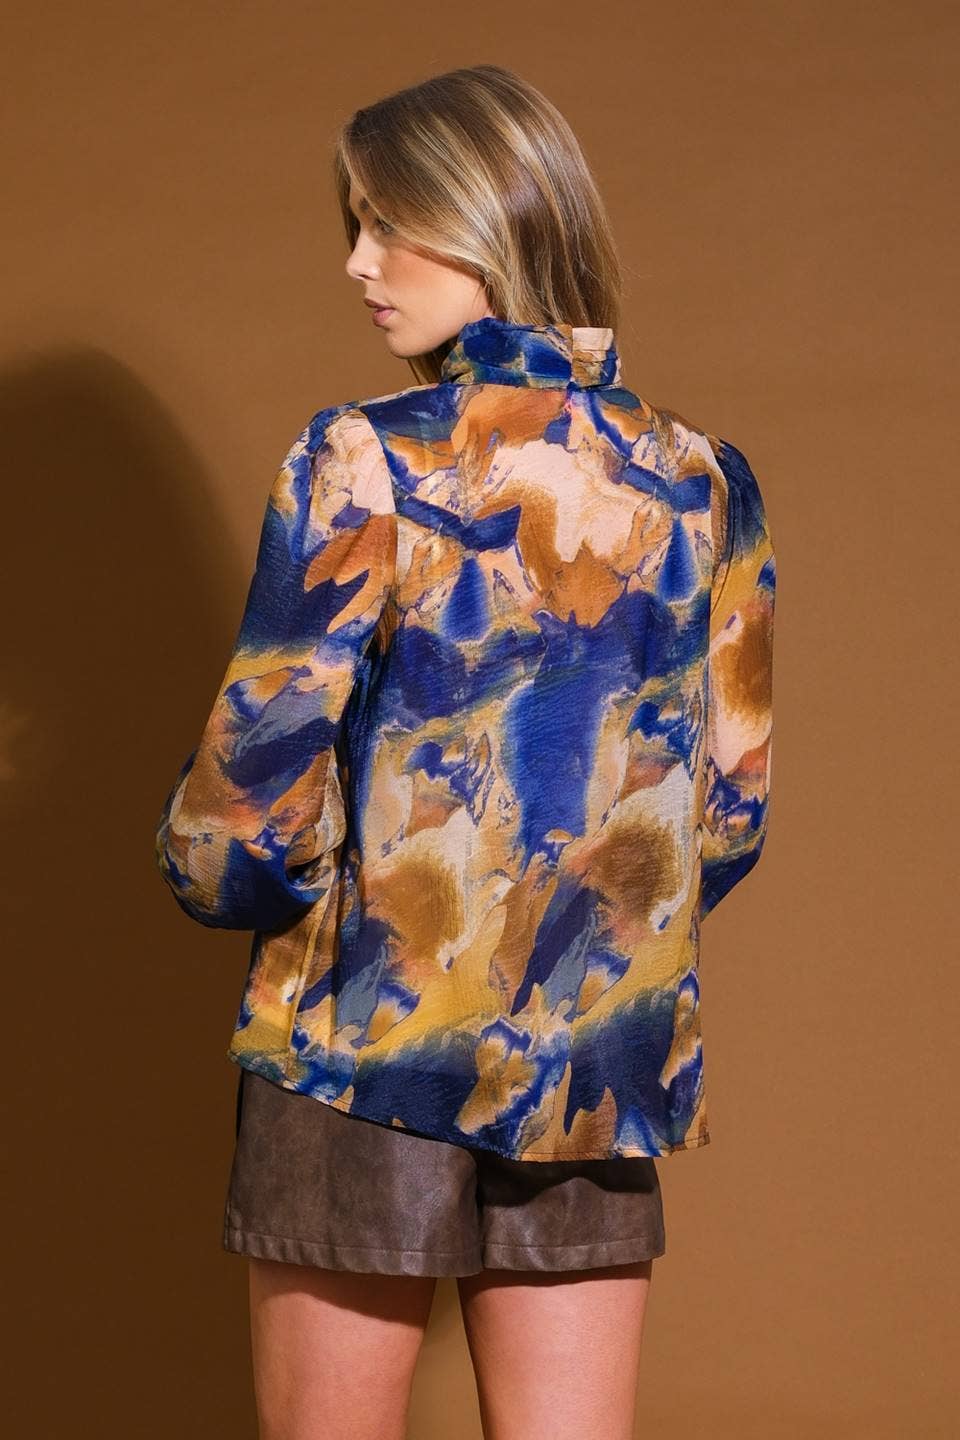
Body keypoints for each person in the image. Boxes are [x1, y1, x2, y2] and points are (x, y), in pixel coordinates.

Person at [154, 63, 776, 1440]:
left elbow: (247, 807)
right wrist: (582, 935)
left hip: (363, 1044)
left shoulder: (365, 460)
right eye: (355, 225)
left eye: (388, 223)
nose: (357, 263)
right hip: (597, 1058)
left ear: (490, 219)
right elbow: (729, 815)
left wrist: (242, 889)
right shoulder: (702, 479)